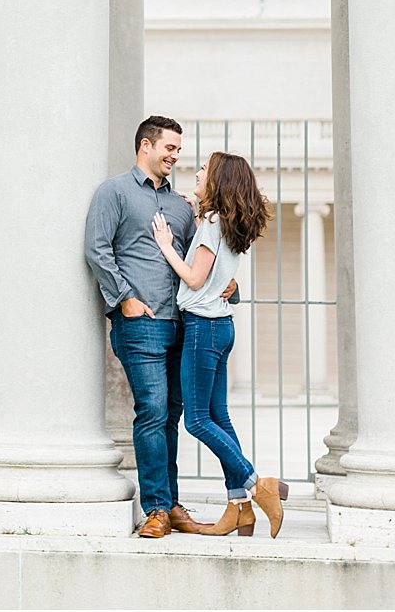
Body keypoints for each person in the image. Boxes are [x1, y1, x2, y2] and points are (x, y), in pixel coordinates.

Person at [84, 115, 237, 539]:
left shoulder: (183, 207)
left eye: (178, 150)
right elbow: (97, 250)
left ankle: (170, 504)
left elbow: (203, 260)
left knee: (173, 414)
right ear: (145, 146)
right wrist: (124, 299)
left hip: (185, 324)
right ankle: (155, 508)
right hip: (141, 322)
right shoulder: (113, 193)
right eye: (169, 148)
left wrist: (233, 286)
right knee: (152, 409)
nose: (175, 156)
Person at [152, 150, 289, 538]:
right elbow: (215, 273)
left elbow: (195, 279)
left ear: (217, 181)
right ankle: (238, 508)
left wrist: (166, 245)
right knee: (219, 417)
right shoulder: (224, 222)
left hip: (202, 328)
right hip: (222, 327)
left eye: (203, 169)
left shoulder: (212, 224)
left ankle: (257, 484)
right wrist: (195, 212)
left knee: (196, 420)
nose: (195, 171)